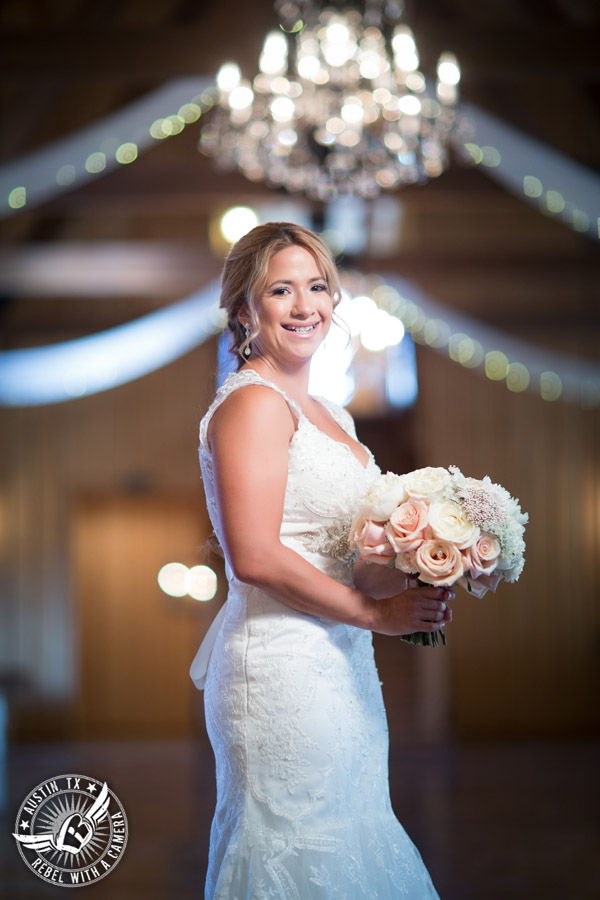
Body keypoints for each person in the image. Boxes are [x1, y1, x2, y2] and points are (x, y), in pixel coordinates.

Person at [190, 222, 452, 899]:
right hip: (279, 667)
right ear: (247, 308)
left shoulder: (333, 413)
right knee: (299, 846)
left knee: (352, 833)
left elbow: (348, 557)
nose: (306, 305)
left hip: (342, 664)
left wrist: (419, 557)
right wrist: (380, 613)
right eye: (282, 289)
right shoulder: (252, 404)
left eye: (317, 287)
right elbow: (254, 556)